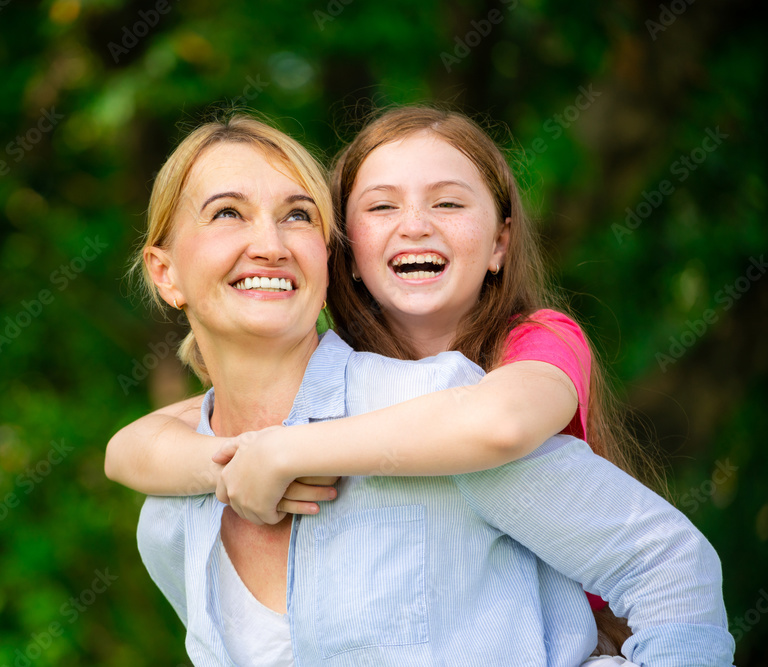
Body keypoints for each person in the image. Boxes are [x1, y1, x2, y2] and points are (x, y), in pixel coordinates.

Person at [116, 113, 734, 665]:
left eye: (298, 215)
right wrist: (227, 459)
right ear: (164, 273)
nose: (270, 245)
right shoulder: (171, 520)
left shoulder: (451, 404)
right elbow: (132, 446)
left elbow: (667, 565)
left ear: (325, 256)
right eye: (227, 212)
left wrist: (285, 452)